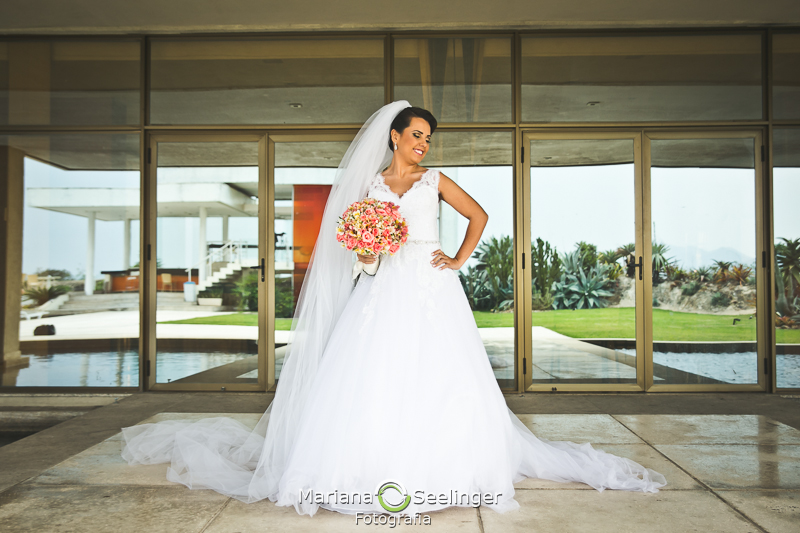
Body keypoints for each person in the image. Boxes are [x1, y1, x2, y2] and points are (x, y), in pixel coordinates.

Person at [121, 101, 666, 518]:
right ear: (395, 137)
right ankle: (366, 468)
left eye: (429, 138)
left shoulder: (435, 181)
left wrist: (455, 258)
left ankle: (452, 467)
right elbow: (358, 248)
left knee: (442, 373)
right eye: (417, 136)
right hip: (383, 289)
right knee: (373, 373)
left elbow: (480, 217)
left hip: (431, 286)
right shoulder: (371, 186)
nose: (424, 144)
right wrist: (367, 248)